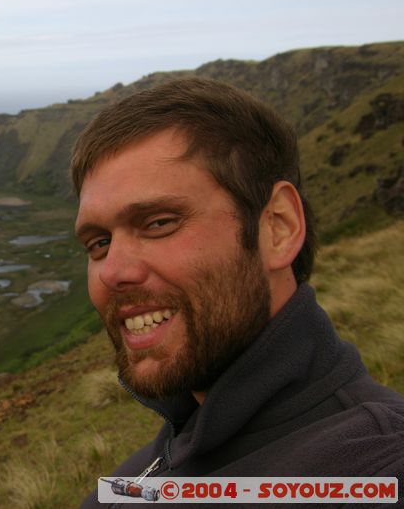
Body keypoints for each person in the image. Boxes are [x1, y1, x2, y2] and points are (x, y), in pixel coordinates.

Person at [71, 78, 404, 507]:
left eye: (159, 223)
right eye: (99, 243)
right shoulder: (146, 470)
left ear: (277, 228)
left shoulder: (376, 472)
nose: (113, 271)